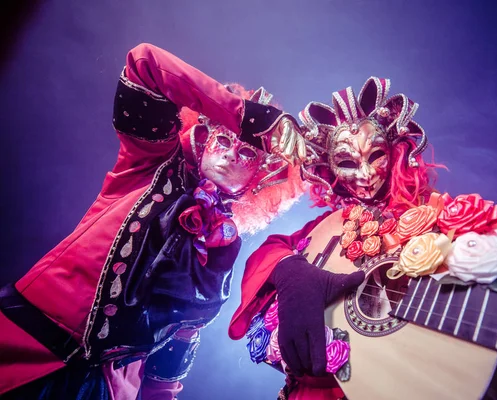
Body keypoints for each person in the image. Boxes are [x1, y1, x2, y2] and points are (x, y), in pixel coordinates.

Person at [0, 43, 306, 399]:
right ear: (205, 139)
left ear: (258, 179)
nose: (228, 154)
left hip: (108, 387)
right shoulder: (149, 162)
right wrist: (249, 118)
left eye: (246, 153)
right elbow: (144, 64)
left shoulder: (224, 242)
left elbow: (183, 334)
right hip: (25, 348)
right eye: (223, 139)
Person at [229, 77, 438, 399]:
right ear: (327, 168)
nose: (366, 175)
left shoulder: (438, 213)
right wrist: (289, 271)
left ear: (395, 151)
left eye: (376, 155)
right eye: (346, 162)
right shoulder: (322, 226)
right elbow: (272, 250)